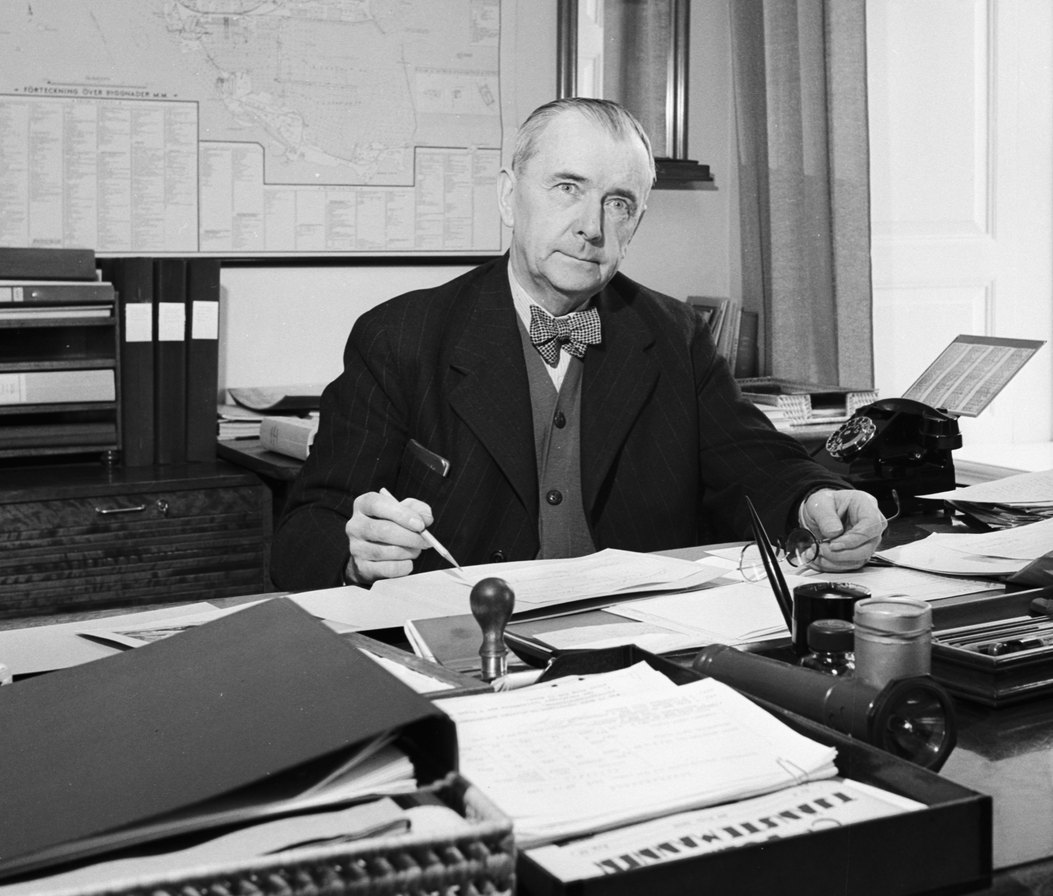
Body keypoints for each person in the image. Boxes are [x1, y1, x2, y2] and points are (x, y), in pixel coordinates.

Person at [270, 98, 886, 590]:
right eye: (567, 187)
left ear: (636, 223)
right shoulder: (399, 336)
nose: (591, 226)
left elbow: (754, 462)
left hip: (640, 641)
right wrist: (355, 555)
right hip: (469, 642)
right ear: (509, 197)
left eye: (618, 203)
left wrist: (817, 498)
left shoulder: (674, 335)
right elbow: (307, 529)